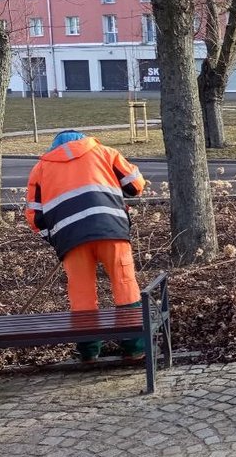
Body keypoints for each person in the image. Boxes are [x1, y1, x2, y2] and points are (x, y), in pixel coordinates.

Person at [26, 130, 147, 362]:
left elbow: (34, 216)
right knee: (124, 284)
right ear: (84, 139)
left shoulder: (40, 169)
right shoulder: (106, 153)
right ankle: (135, 348)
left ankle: (89, 352)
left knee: (81, 293)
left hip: (71, 239)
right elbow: (136, 185)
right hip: (111, 230)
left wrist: (54, 237)